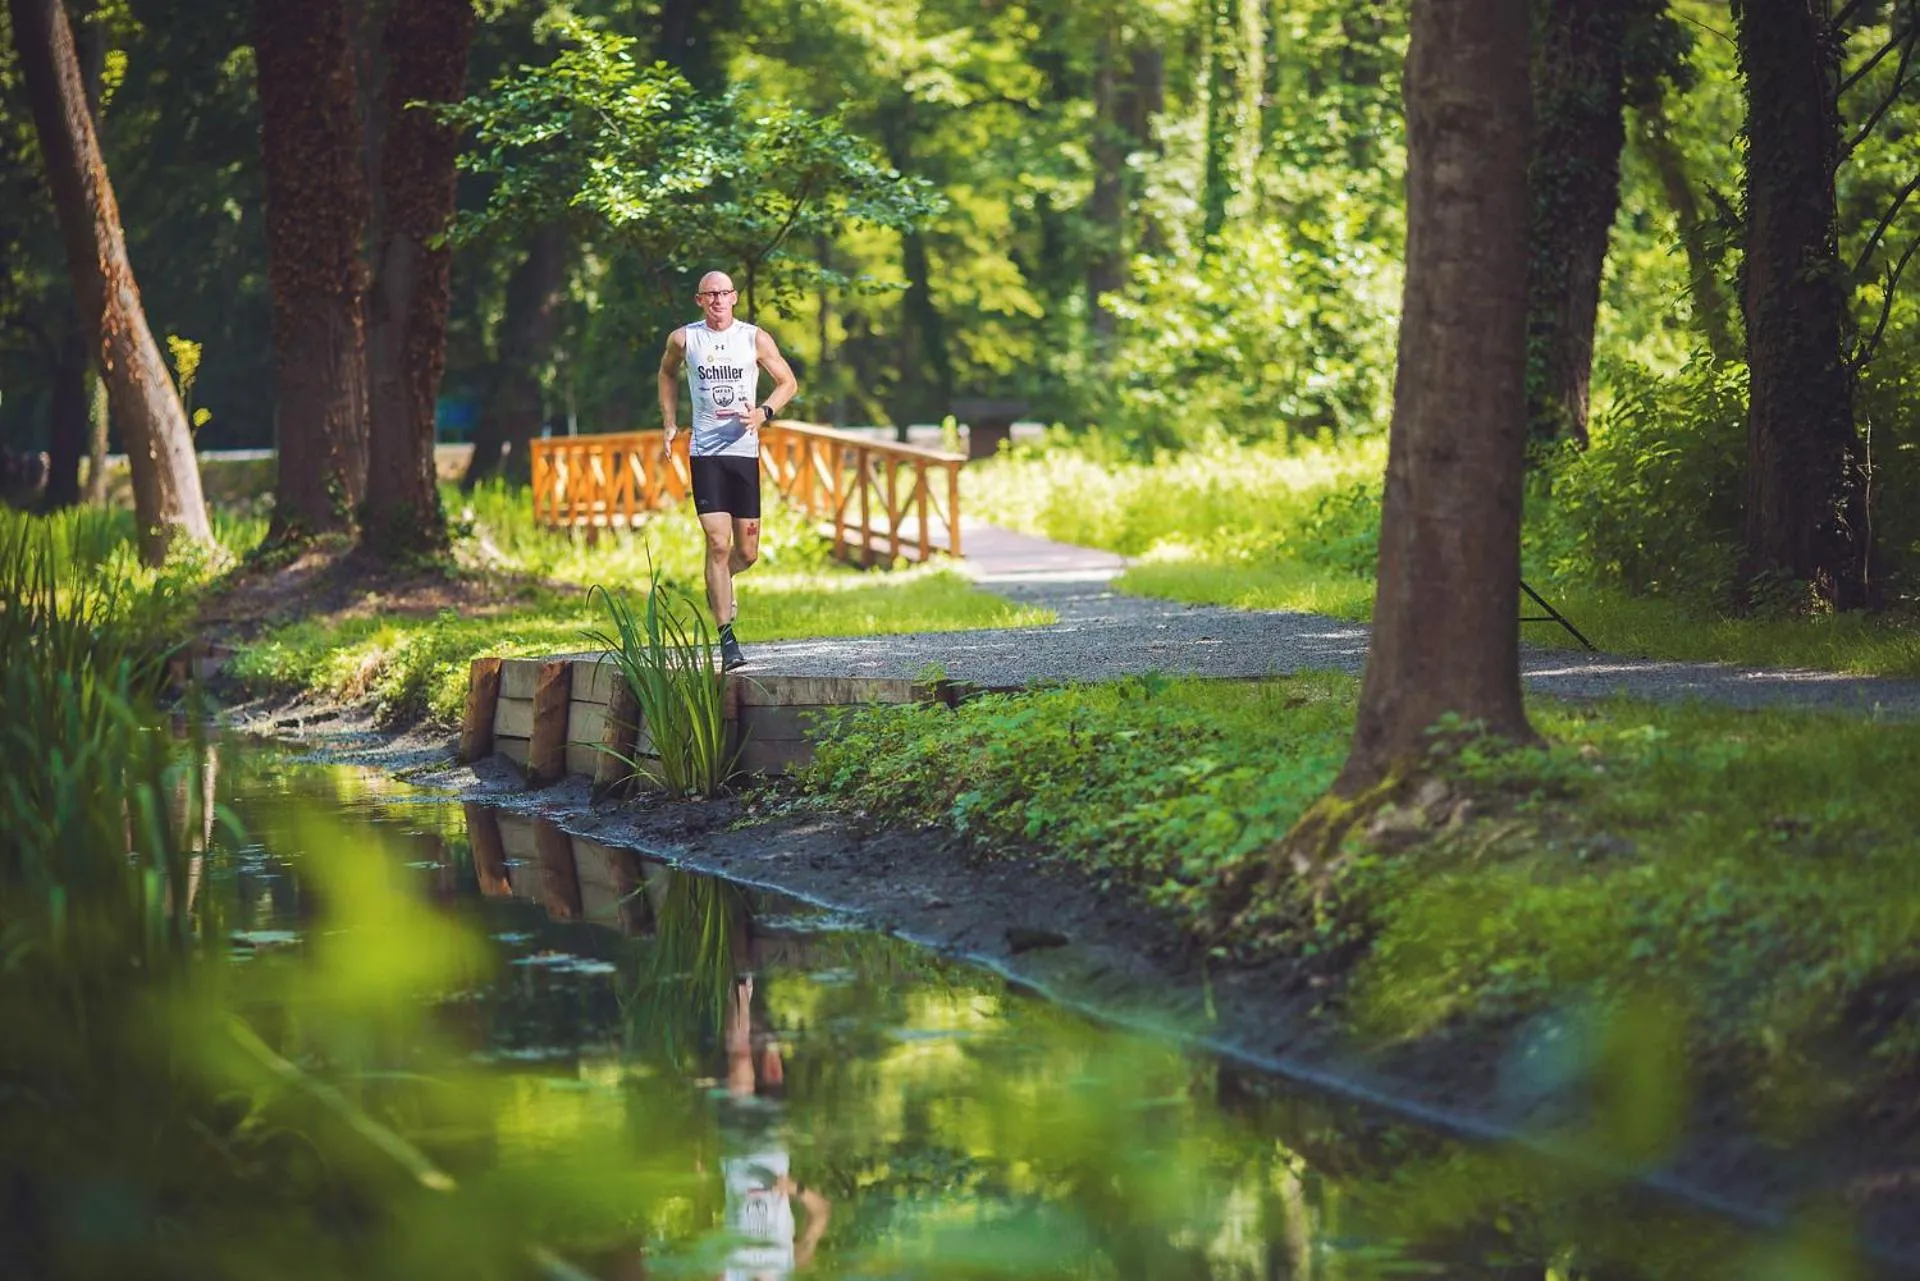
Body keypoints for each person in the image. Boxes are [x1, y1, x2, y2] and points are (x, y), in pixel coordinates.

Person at [658, 271, 799, 672]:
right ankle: (728, 641)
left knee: (746, 553)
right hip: (706, 453)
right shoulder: (684, 339)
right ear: (699, 301)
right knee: (718, 544)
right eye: (710, 295)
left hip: (744, 453)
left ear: (734, 297)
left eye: (724, 293)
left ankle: (721, 579)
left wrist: (763, 412)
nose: (718, 300)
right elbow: (666, 374)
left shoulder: (754, 338)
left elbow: (788, 382)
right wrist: (669, 422)